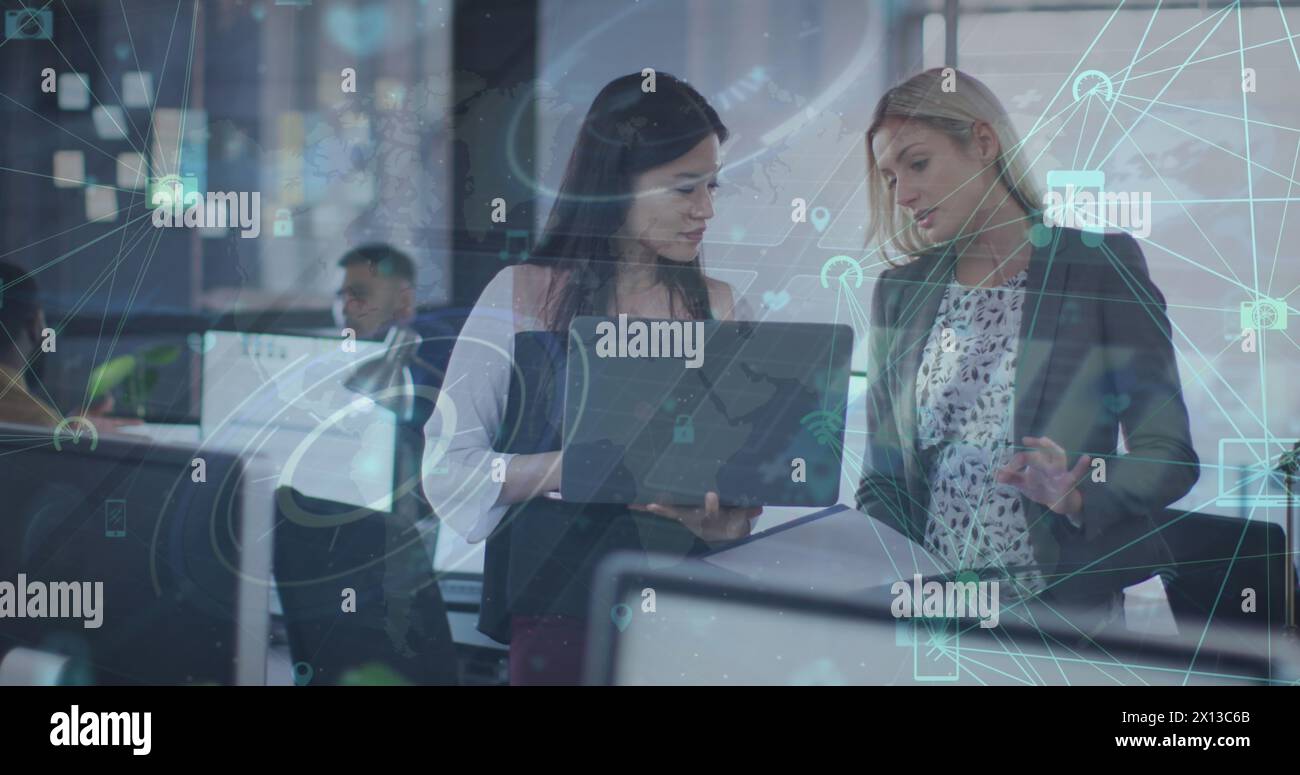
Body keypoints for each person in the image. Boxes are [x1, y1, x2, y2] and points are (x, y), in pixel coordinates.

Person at [422, 72, 760, 685]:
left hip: (694, 614)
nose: (706, 210)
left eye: (712, 185)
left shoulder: (724, 309)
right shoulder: (520, 296)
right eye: (685, 188)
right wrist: (576, 465)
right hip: (559, 612)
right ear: (612, 188)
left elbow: (750, 481)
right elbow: (446, 467)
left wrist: (730, 521)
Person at [855, 69, 1198, 626]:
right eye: (890, 178)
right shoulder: (901, 292)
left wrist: (1081, 494)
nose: (904, 194)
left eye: (917, 164)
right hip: (936, 620)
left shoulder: (1098, 267)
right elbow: (883, 479)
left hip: (1061, 620)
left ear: (984, 143)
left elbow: (1169, 454)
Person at [0, 261, 134, 434]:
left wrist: (66, 427)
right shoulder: (39, 422)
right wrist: (61, 432)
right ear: (36, 325)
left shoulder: (42, 423)